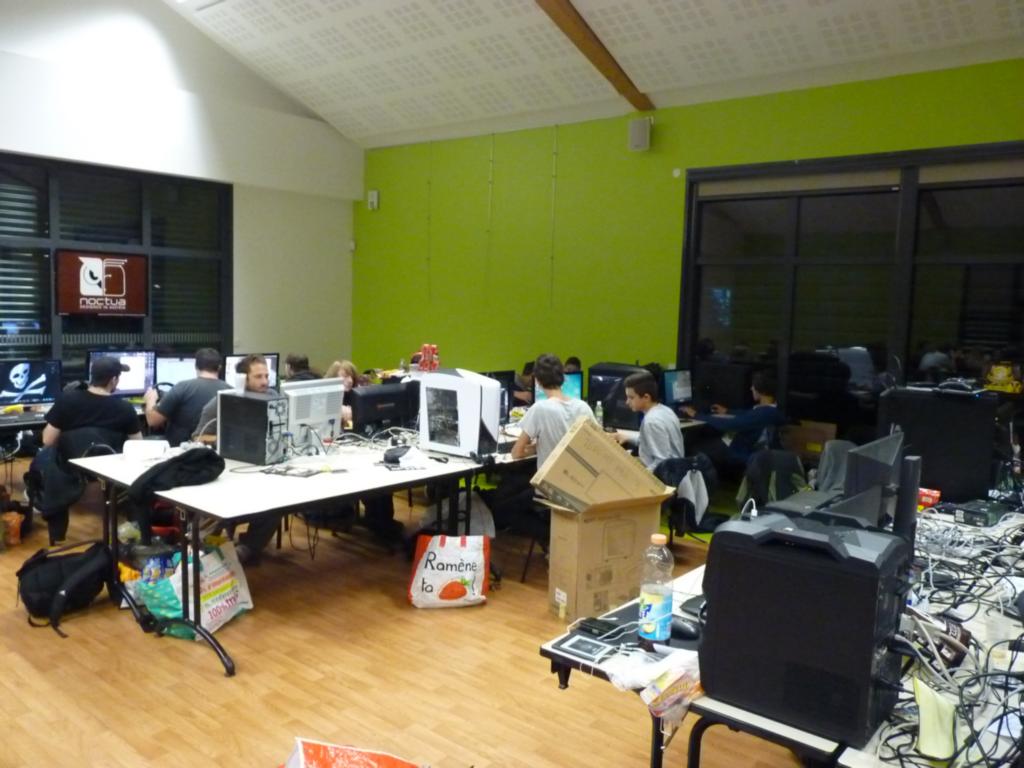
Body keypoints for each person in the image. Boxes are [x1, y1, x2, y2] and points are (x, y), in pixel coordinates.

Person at [39, 356, 143, 542]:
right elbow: (138, 445)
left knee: (46, 457)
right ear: (113, 380)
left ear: (92, 376)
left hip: (69, 467)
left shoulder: (67, 400)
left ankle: (57, 533)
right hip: (110, 469)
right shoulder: (125, 408)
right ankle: (136, 530)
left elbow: (47, 440)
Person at [682, 371, 786, 470]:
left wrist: (696, 415)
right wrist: (727, 411)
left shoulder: (765, 413)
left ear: (761, 391)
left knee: (693, 447)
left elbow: (728, 424)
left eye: (753, 386)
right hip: (734, 444)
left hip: (735, 449)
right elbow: (747, 415)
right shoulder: (770, 410)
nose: (751, 388)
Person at [512, 354, 596, 466]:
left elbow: (517, 452)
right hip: (576, 474)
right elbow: (599, 442)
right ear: (563, 376)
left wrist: (536, 448)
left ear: (537, 381)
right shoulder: (583, 407)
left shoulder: (539, 409)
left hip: (549, 476)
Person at [142, 348, 231, 446]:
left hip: (180, 449)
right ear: (219, 367)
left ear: (196, 366)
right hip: (215, 449)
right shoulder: (230, 391)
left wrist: (150, 400)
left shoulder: (182, 387)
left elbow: (153, 421)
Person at [193, 353, 271, 440]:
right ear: (243, 379)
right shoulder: (222, 402)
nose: (265, 382)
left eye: (266, 376)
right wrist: (227, 439)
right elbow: (198, 437)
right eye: (258, 377)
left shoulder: (273, 397)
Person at [620, 370, 685, 470]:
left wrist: (638, 476)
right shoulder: (665, 410)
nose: (627, 402)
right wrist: (626, 437)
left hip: (664, 475)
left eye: (631, 397)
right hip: (676, 470)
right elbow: (650, 441)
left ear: (646, 397)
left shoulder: (651, 422)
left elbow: (661, 463)